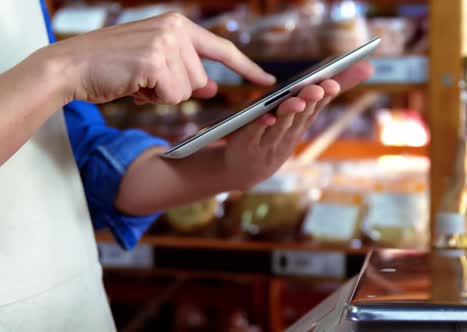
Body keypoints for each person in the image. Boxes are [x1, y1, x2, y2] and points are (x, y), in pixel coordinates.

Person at [0, 0, 372, 330]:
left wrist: (231, 168)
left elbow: (72, 156)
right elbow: (59, 77)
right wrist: (63, 68)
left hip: (74, 310)